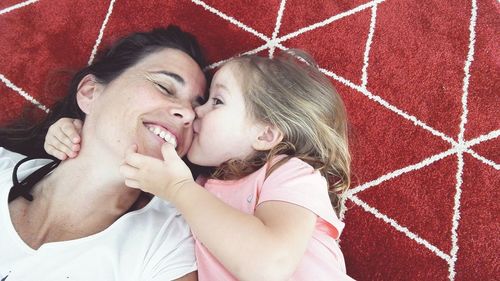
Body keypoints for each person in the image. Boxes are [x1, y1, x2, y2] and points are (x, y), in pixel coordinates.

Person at [47, 50, 354, 280]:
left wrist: (179, 189)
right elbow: (129, 155)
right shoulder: (199, 186)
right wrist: (76, 131)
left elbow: (269, 265)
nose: (196, 114)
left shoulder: (291, 174)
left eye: (216, 102)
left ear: (265, 134)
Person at [0, 25, 207, 280]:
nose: (188, 114)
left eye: (196, 110)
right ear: (90, 92)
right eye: (164, 87)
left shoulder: (166, 245)